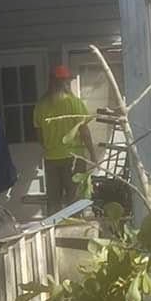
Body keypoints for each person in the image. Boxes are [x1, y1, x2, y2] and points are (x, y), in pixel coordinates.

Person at [33, 63, 96, 214]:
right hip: (73, 158)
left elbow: (39, 135)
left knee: (54, 200)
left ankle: (54, 227)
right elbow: (84, 132)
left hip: (51, 159)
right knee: (74, 199)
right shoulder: (74, 103)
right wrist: (92, 153)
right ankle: (74, 227)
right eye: (66, 81)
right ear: (63, 82)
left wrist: (49, 147)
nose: (67, 83)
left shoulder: (40, 105)